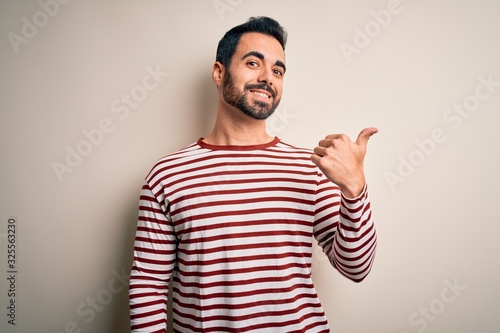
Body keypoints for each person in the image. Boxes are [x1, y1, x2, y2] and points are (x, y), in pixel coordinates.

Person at [129, 16, 378, 333]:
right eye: (252, 63)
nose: (267, 78)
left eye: (278, 70)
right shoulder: (167, 175)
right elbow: (147, 288)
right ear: (219, 73)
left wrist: (355, 190)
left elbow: (356, 268)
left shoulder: (309, 168)